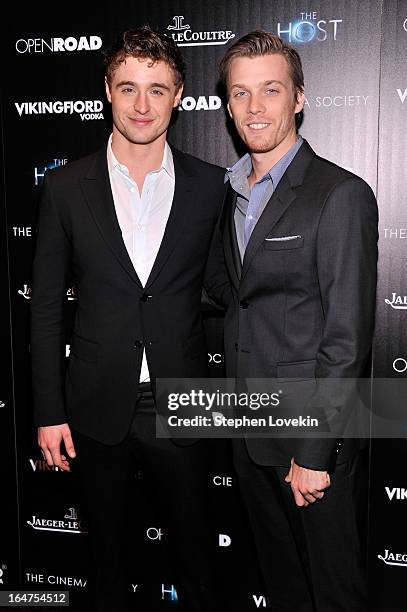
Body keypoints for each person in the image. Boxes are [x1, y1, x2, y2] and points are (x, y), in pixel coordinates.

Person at [31, 26, 225, 612]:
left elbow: (223, 287)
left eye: (158, 89)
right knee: (107, 566)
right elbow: (44, 308)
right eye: (129, 88)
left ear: (179, 95)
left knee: (198, 564)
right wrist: (49, 411)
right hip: (94, 404)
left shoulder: (212, 186)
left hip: (183, 402)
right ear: (108, 93)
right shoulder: (66, 187)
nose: (143, 105)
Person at [205, 30, 378, 611]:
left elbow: (346, 339)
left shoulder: (339, 194)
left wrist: (314, 451)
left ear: (299, 98)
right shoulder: (229, 193)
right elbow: (236, 296)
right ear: (227, 105)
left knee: (333, 597)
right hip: (250, 436)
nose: (255, 109)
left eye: (270, 91)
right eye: (240, 94)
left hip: (310, 446)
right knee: (284, 594)